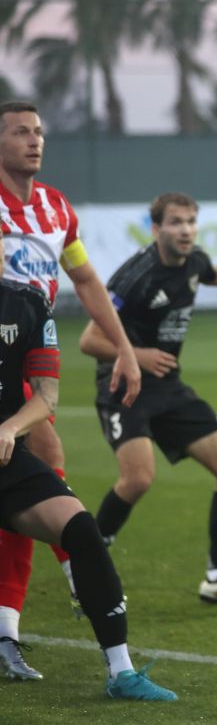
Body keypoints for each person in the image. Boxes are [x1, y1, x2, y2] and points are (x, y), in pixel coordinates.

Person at [0, 100, 141, 681]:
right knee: (45, 461)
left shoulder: (57, 208)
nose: (33, 141)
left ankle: (13, 623)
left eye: (38, 132)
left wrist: (125, 347)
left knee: (36, 462)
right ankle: (71, 575)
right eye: (18, 132)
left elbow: (83, 278)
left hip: (29, 346)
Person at [0, 236, 175, 698]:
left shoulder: (28, 304)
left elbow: (46, 396)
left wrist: (10, 427)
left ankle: (121, 672)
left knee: (80, 528)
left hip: (6, 455)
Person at [78, 193, 217, 606]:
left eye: (190, 222)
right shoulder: (136, 276)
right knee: (139, 478)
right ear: (156, 229)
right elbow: (89, 339)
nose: (185, 230)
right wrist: (138, 355)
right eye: (176, 223)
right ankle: (85, 562)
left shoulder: (194, 262)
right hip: (123, 385)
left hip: (168, 387)